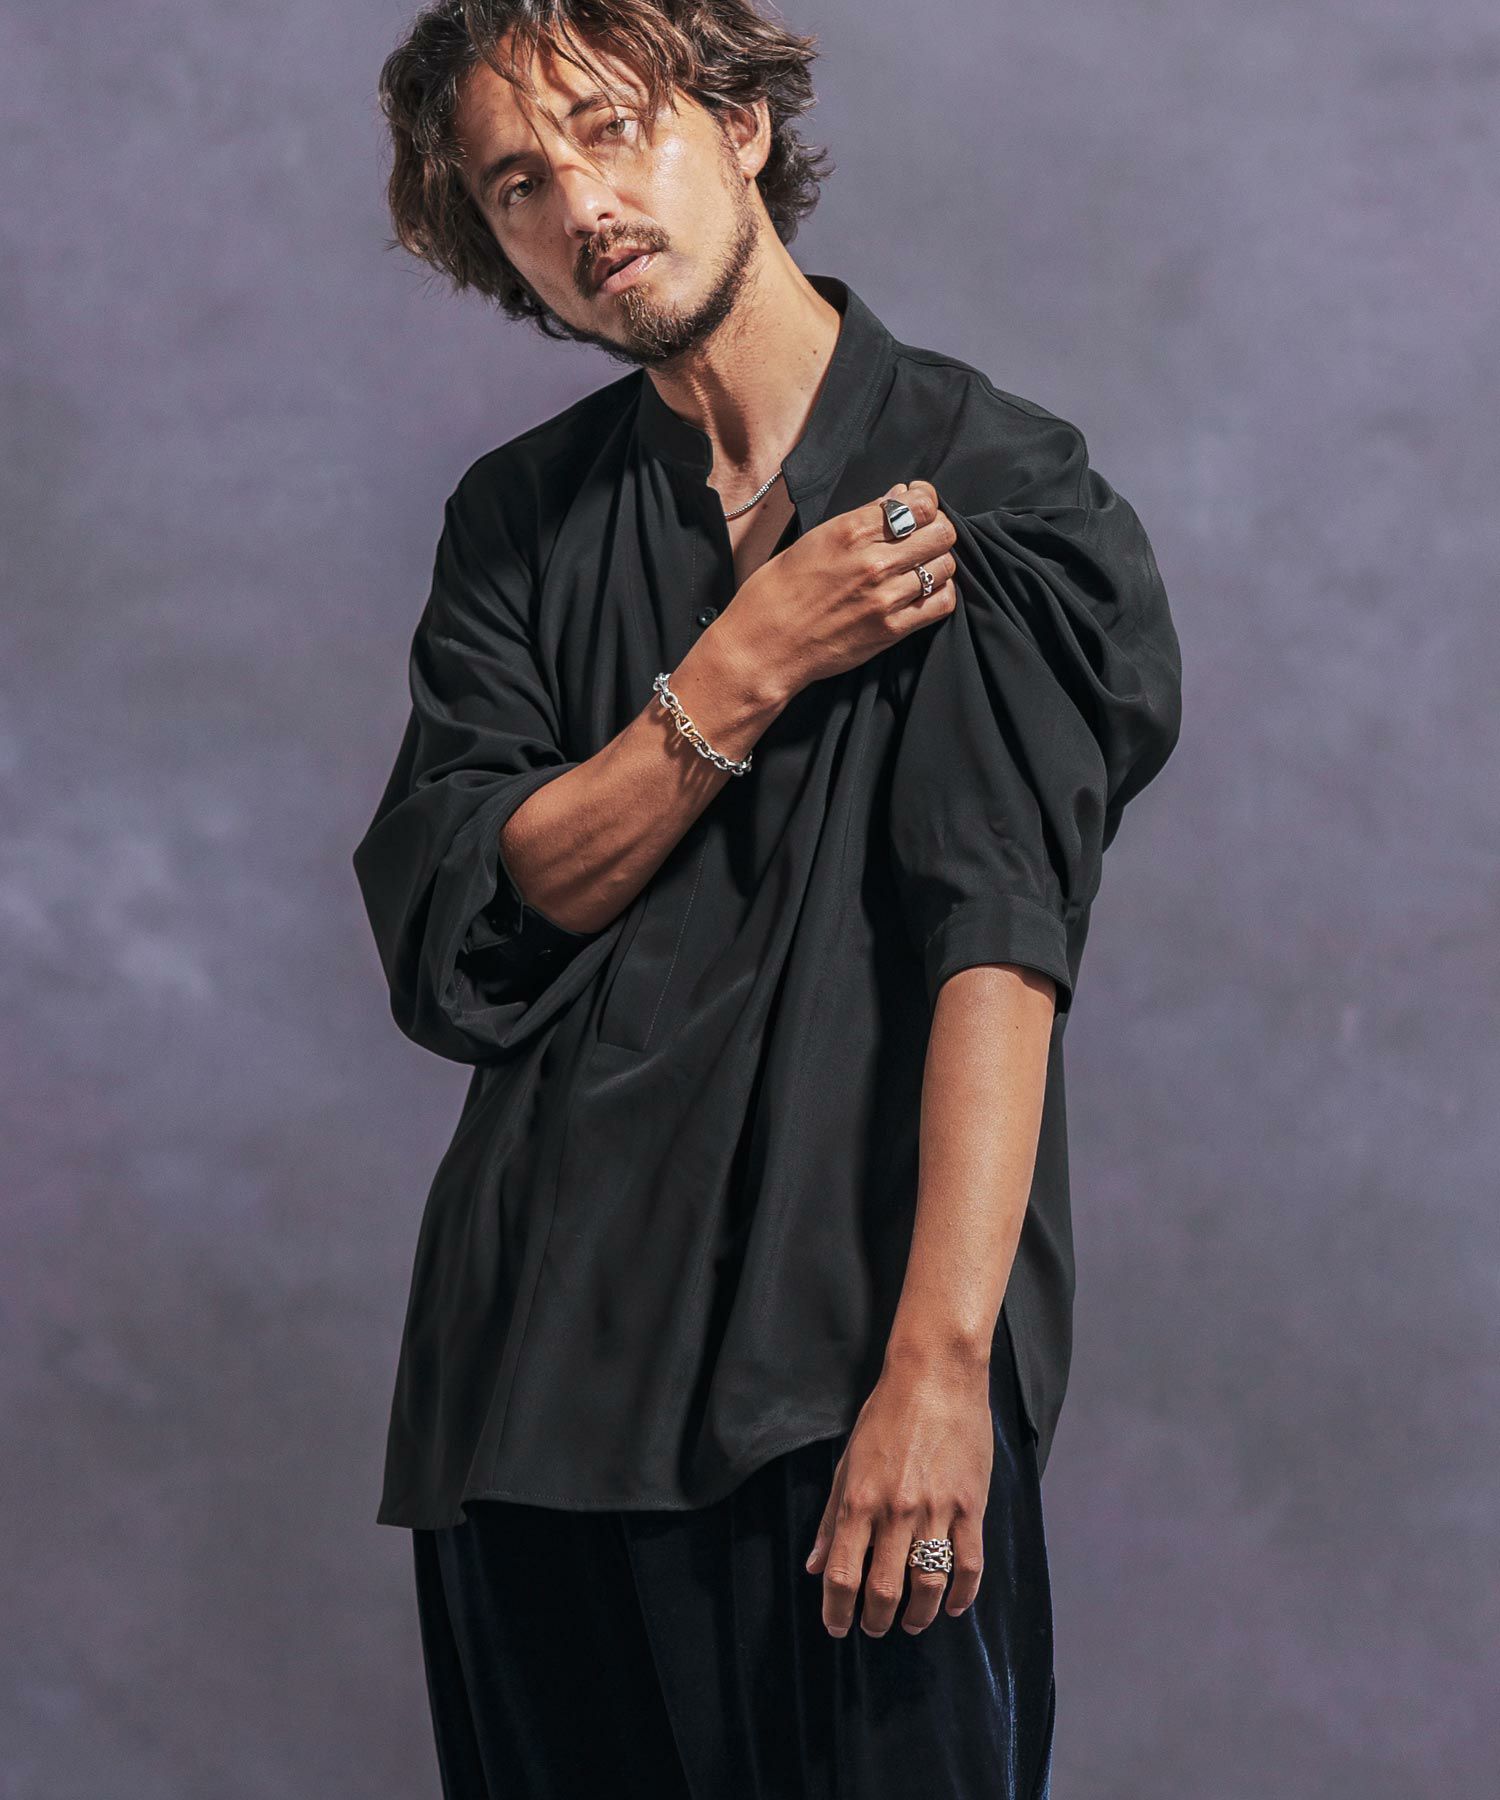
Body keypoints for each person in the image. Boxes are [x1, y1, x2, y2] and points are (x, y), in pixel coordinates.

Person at [352, 2, 1183, 1795]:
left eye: (612, 126)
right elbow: (468, 925)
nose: (582, 204)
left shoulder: (988, 488)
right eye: (517, 182)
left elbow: (997, 947)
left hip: (840, 1370)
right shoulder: (517, 522)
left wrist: (941, 1369)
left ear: (736, 123)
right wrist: (742, 667)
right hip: (523, 1382)